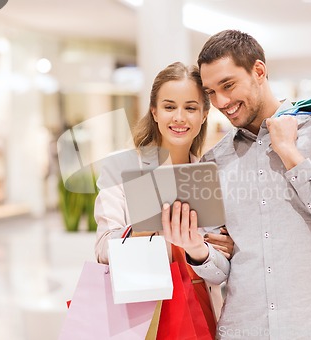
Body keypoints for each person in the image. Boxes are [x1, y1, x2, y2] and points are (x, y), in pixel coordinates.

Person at [161, 30, 311, 339]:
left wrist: (291, 155)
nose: (222, 102)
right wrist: (196, 249)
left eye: (228, 85)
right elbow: (221, 270)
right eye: (211, 92)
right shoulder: (214, 160)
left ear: (259, 71)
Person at [94, 62, 234, 339]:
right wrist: (142, 229)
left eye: (191, 108)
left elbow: (221, 272)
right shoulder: (119, 169)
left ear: (205, 114)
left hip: (201, 315)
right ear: (155, 112)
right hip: (139, 315)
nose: (179, 117)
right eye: (169, 107)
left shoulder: (215, 175)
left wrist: (198, 249)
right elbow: (101, 250)